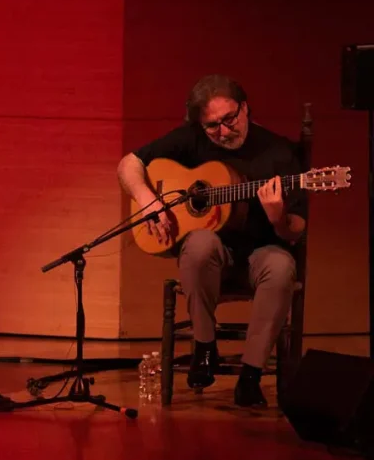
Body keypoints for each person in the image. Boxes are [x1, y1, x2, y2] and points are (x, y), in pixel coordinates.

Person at [117, 74, 306, 407]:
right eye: (212, 126)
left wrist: (278, 217)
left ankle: (250, 377)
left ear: (245, 108)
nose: (224, 131)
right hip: (208, 260)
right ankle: (204, 348)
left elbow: (297, 230)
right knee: (201, 242)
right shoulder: (192, 139)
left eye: (230, 119)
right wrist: (146, 196)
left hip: (260, 255)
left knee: (281, 266)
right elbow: (129, 163)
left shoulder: (277, 153)